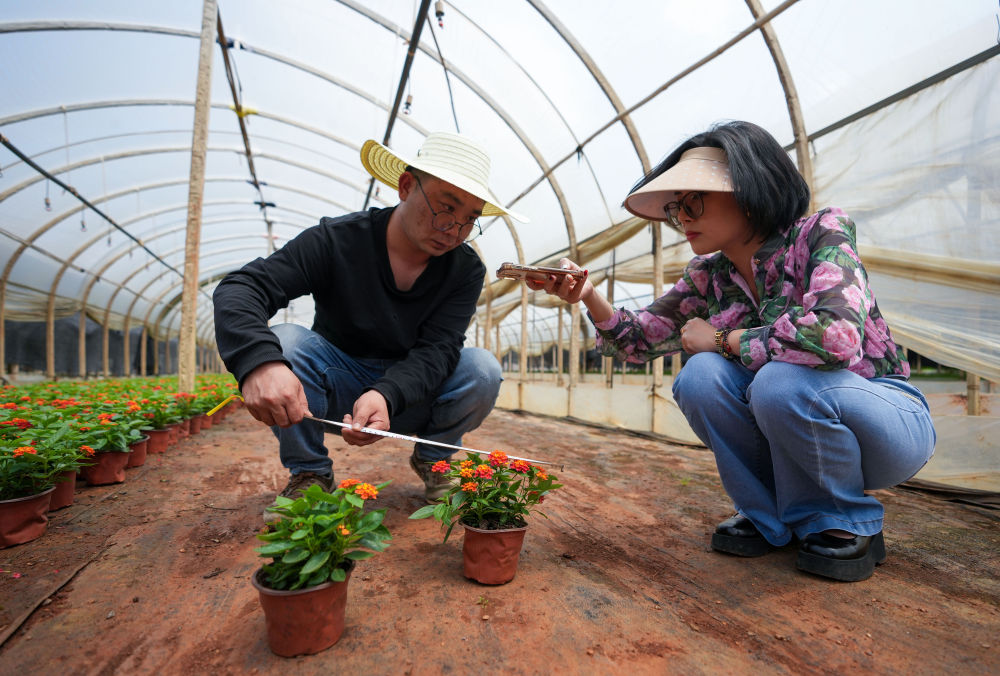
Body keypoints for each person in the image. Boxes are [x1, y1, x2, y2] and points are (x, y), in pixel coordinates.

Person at [526, 120, 935, 582]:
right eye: (676, 208)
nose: (683, 218)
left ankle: (843, 519)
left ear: (749, 190)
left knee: (778, 380)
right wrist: (588, 295)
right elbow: (638, 339)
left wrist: (725, 340)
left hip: (883, 422)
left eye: (694, 201)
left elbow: (835, 337)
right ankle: (767, 515)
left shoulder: (821, 232)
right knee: (700, 376)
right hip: (790, 425)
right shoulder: (708, 274)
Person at [213, 132, 524, 507]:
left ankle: (434, 460)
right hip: (334, 387)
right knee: (285, 343)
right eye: (446, 207)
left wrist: (386, 394)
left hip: (410, 396)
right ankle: (310, 473)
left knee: (482, 369)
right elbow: (243, 287)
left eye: (470, 219)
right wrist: (258, 362)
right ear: (405, 187)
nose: (454, 230)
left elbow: (438, 349)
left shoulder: (465, 269)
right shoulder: (337, 240)